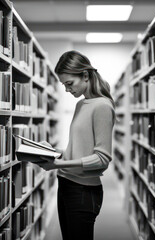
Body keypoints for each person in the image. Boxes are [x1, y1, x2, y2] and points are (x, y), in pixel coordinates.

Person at [36, 50, 115, 240]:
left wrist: (57, 165)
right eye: (64, 85)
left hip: (83, 191)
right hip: (66, 185)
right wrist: (53, 152)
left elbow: (101, 159)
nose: (66, 90)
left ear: (85, 75)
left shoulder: (102, 106)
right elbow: (78, 151)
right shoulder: (81, 105)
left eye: (69, 84)